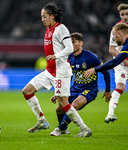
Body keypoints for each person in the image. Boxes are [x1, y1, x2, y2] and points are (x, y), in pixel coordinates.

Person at [22, 5, 91, 137]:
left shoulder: (61, 29)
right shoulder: (48, 29)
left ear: (52, 16)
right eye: (41, 17)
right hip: (50, 71)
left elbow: (69, 48)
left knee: (63, 103)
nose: (42, 19)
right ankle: (42, 120)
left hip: (61, 71)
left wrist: (56, 55)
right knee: (27, 91)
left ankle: (84, 128)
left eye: (44, 16)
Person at [84, 23, 128, 127]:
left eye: (115, 36)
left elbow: (115, 62)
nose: (114, 39)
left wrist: (95, 69)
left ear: (119, 34)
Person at [49, 32, 111, 136]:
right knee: (59, 108)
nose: (71, 45)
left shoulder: (90, 57)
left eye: (74, 42)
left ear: (81, 43)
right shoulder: (69, 58)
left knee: (74, 105)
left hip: (89, 89)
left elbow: (106, 71)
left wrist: (108, 90)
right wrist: (60, 92)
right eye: (69, 42)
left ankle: (59, 129)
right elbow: (68, 77)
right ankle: (64, 128)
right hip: (75, 88)